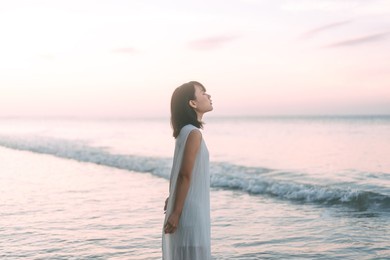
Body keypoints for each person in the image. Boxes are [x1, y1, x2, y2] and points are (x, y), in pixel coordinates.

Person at [162, 81, 213, 260]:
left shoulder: (184, 131)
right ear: (192, 103)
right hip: (191, 211)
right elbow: (184, 174)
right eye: (203, 92)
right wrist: (176, 213)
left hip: (183, 205)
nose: (209, 96)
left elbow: (177, 170)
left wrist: (173, 197)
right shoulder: (193, 133)